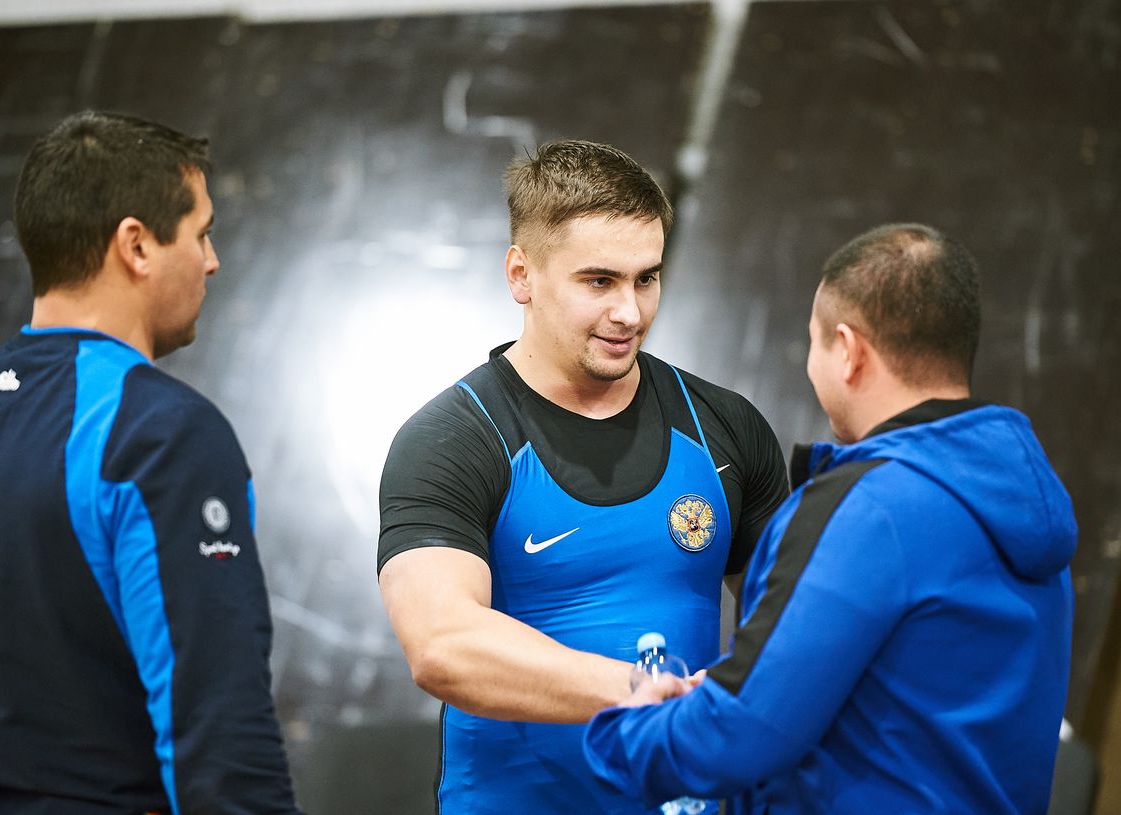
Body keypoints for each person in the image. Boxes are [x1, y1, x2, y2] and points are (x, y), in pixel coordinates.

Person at [583, 223, 1077, 814]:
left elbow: (737, 737)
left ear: (848, 351)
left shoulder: (868, 510)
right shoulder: (1019, 496)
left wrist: (628, 731)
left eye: (813, 344)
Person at [377, 139, 791, 813]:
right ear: (522, 275)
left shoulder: (725, 425)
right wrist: (635, 690)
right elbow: (442, 644)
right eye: (599, 281)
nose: (630, 312)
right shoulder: (451, 439)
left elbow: (791, 630)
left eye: (646, 279)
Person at [0, 111, 303, 814]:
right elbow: (217, 726)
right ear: (137, 245)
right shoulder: (161, 433)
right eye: (201, 233)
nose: (211, 260)